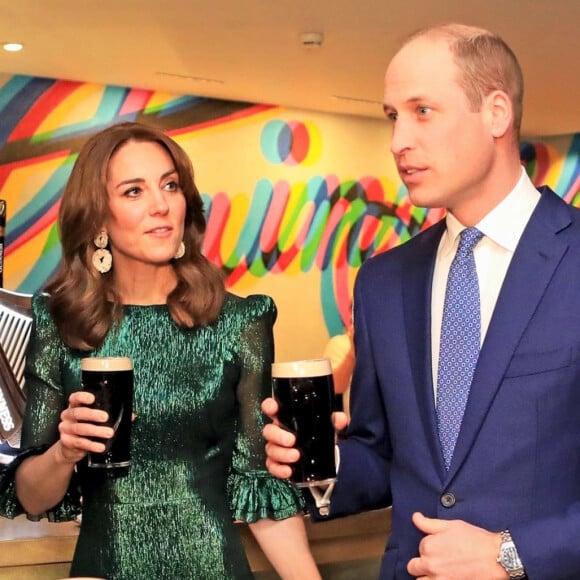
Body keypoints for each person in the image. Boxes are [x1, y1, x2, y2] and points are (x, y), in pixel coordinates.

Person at [262, 22, 580, 580]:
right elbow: (386, 455)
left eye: (422, 111)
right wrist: (324, 463)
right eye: (392, 116)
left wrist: (512, 555)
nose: (397, 141)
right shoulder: (384, 282)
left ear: (497, 114)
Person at [0, 121, 320, 579]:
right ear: (98, 217)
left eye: (170, 185)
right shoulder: (61, 325)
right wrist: (63, 451)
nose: (161, 205)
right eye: (134, 191)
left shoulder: (237, 323)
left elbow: (260, 486)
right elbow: (32, 497)